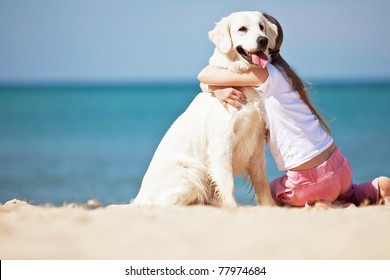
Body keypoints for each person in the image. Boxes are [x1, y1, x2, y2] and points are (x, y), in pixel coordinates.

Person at [198, 13, 390, 207]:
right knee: (345, 191)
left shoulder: (262, 74)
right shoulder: (285, 75)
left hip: (311, 179)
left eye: (262, 29)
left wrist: (215, 88)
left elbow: (205, 74)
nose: (259, 36)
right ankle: (373, 189)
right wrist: (217, 88)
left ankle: (320, 202)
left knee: (269, 194)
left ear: (270, 41)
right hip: (340, 166)